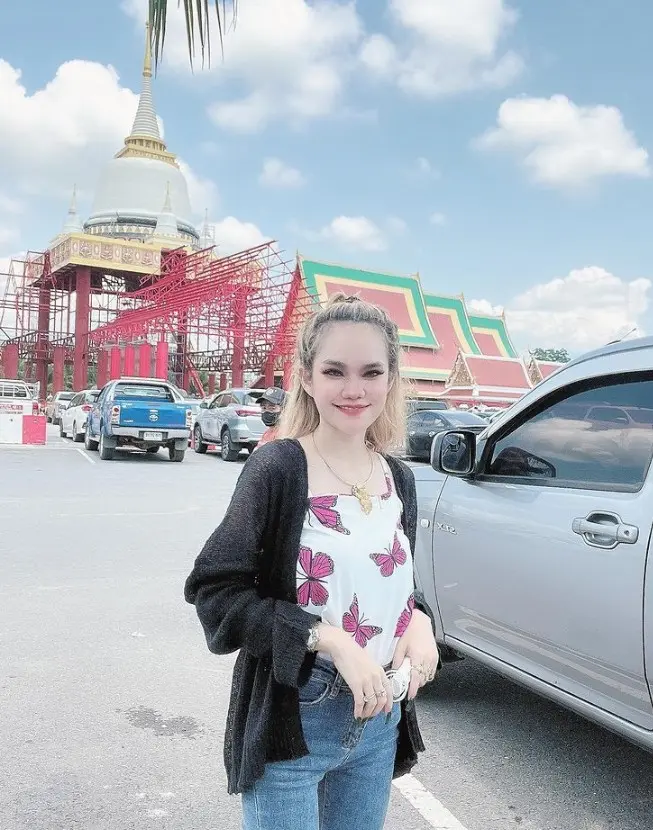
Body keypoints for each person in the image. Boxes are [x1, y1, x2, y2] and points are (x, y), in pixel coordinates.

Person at [184, 293, 439, 830]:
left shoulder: (399, 479)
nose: (354, 389)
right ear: (306, 377)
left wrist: (419, 621)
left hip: (380, 721)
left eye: (371, 372)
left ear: (391, 379)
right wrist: (328, 639)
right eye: (335, 371)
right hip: (297, 714)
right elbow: (216, 592)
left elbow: (388, 584)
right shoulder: (278, 468)